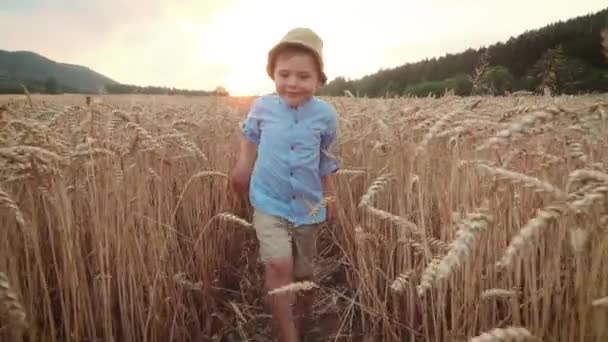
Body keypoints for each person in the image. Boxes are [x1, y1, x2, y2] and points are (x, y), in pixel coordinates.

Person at [230, 27, 340, 342]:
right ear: (273, 75)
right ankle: (287, 332)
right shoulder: (262, 108)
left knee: (304, 276)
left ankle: (303, 317)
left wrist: (330, 195)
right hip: (268, 201)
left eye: (303, 77)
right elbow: (249, 139)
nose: (292, 83)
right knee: (279, 264)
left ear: (319, 80)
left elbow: (326, 159)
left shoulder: (326, 116)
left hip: (308, 206)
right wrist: (242, 167)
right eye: (284, 74)